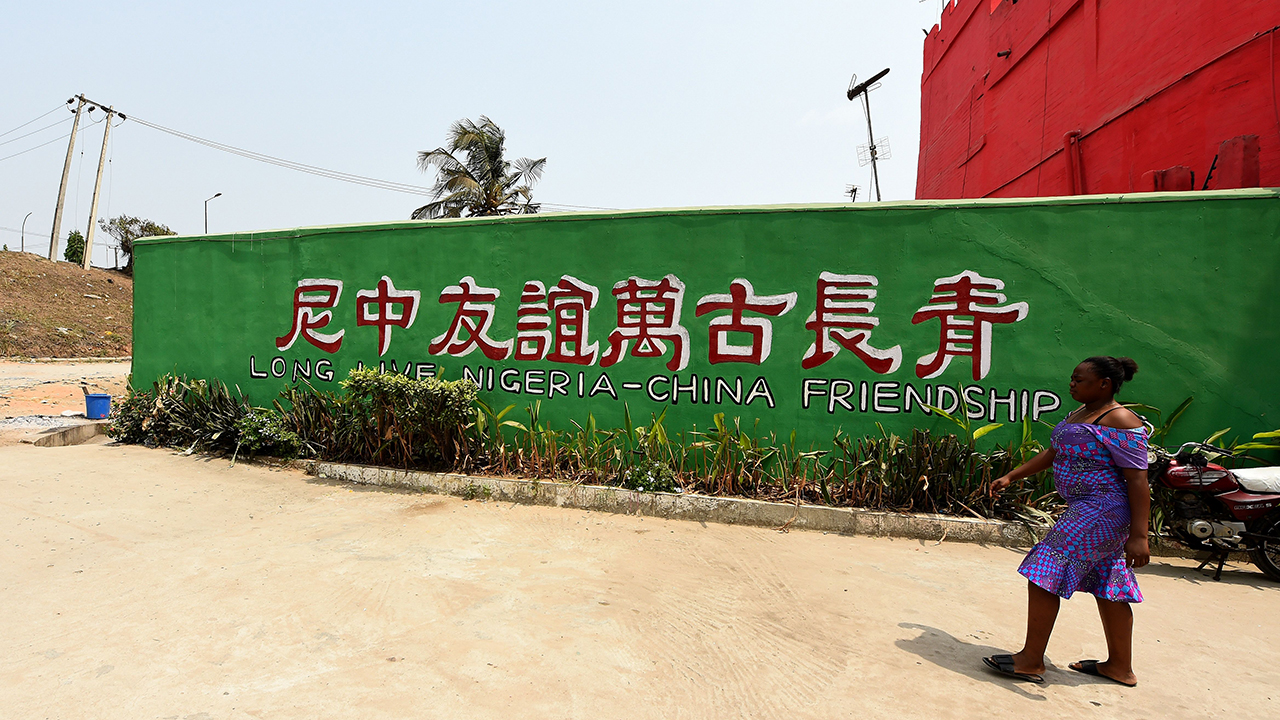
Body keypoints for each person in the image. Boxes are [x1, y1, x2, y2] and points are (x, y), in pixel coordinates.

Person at [983, 356, 1150, 687]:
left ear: (1104, 383)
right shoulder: (1081, 413)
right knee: (1108, 583)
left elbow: (1138, 480)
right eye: (1072, 378)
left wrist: (1140, 535)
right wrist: (1012, 476)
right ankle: (1119, 667)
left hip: (1102, 509)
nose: (1072, 384)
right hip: (1088, 507)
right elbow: (1054, 452)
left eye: (1079, 379)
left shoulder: (1120, 419)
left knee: (1044, 571)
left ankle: (1031, 661)